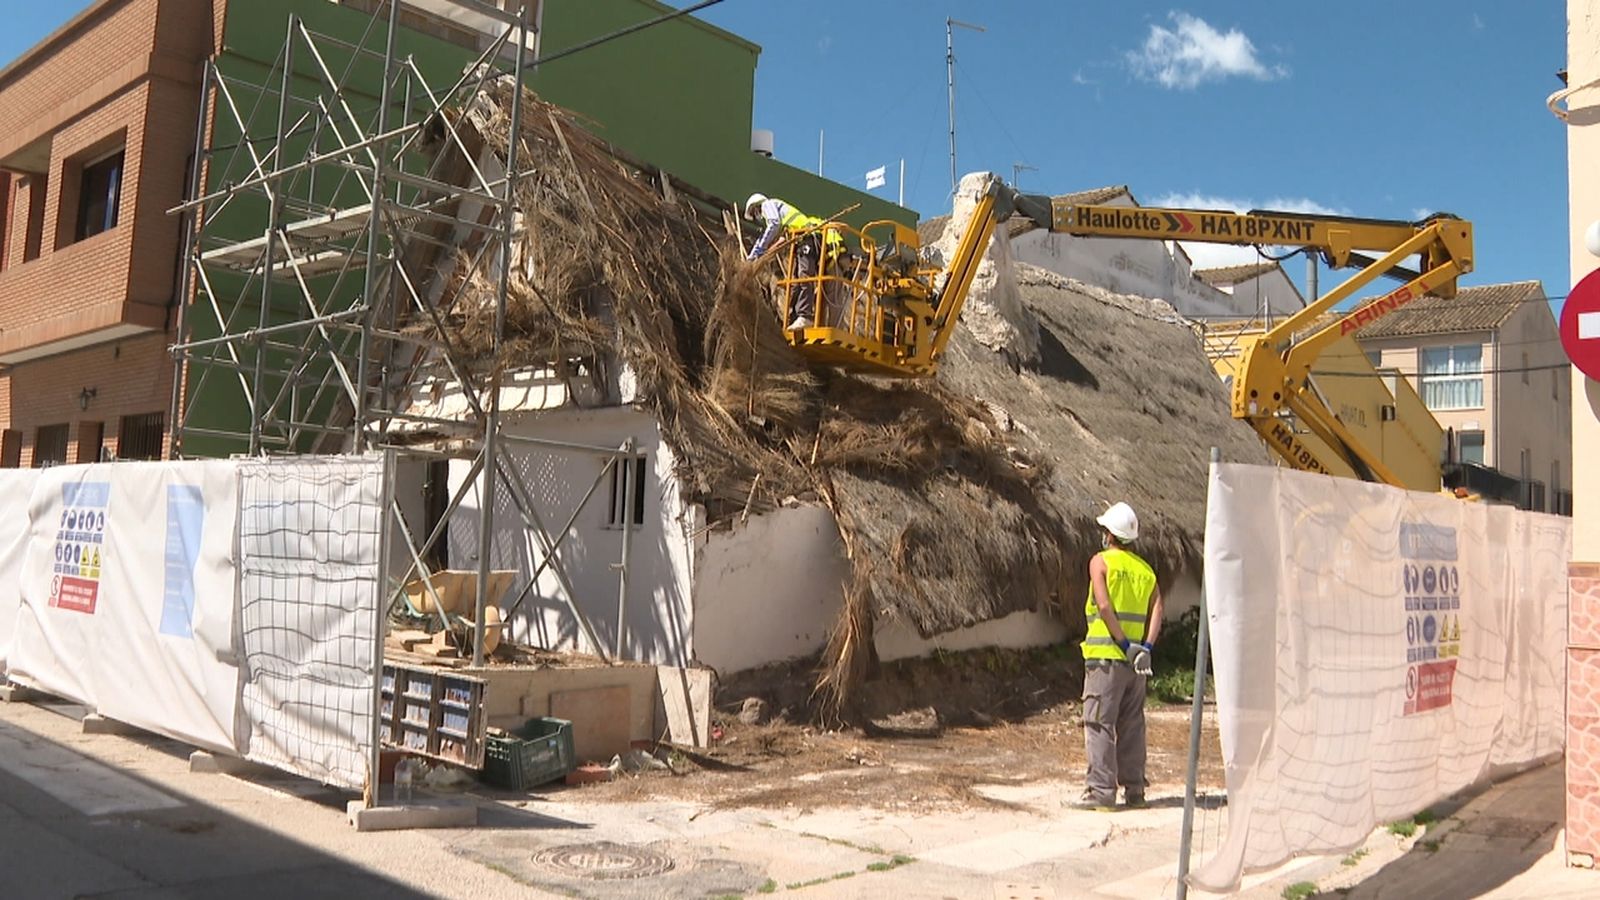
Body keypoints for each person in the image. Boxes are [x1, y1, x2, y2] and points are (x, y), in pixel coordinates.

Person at [1078, 501, 1163, 811]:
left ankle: (1101, 792)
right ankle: (1135, 791)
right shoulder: (1146, 571)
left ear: (1109, 535)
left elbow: (1103, 606)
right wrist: (1146, 648)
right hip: (1137, 664)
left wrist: (1125, 645)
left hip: (1106, 657)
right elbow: (1158, 609)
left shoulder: (1099, 562)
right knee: (1132, 725)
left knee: (1099, 723)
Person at [744, 193, 835, 330]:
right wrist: (759, 254)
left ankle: (805, 316)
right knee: (794, 281)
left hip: (807, 237)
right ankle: (794, 317)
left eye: (754, 212)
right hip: (800, 240)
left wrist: (758, 250)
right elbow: (781, 240)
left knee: (804, 276)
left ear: (756, 206)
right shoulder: (783, 218)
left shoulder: (768, 205)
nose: (758, 216)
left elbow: (774, 224)